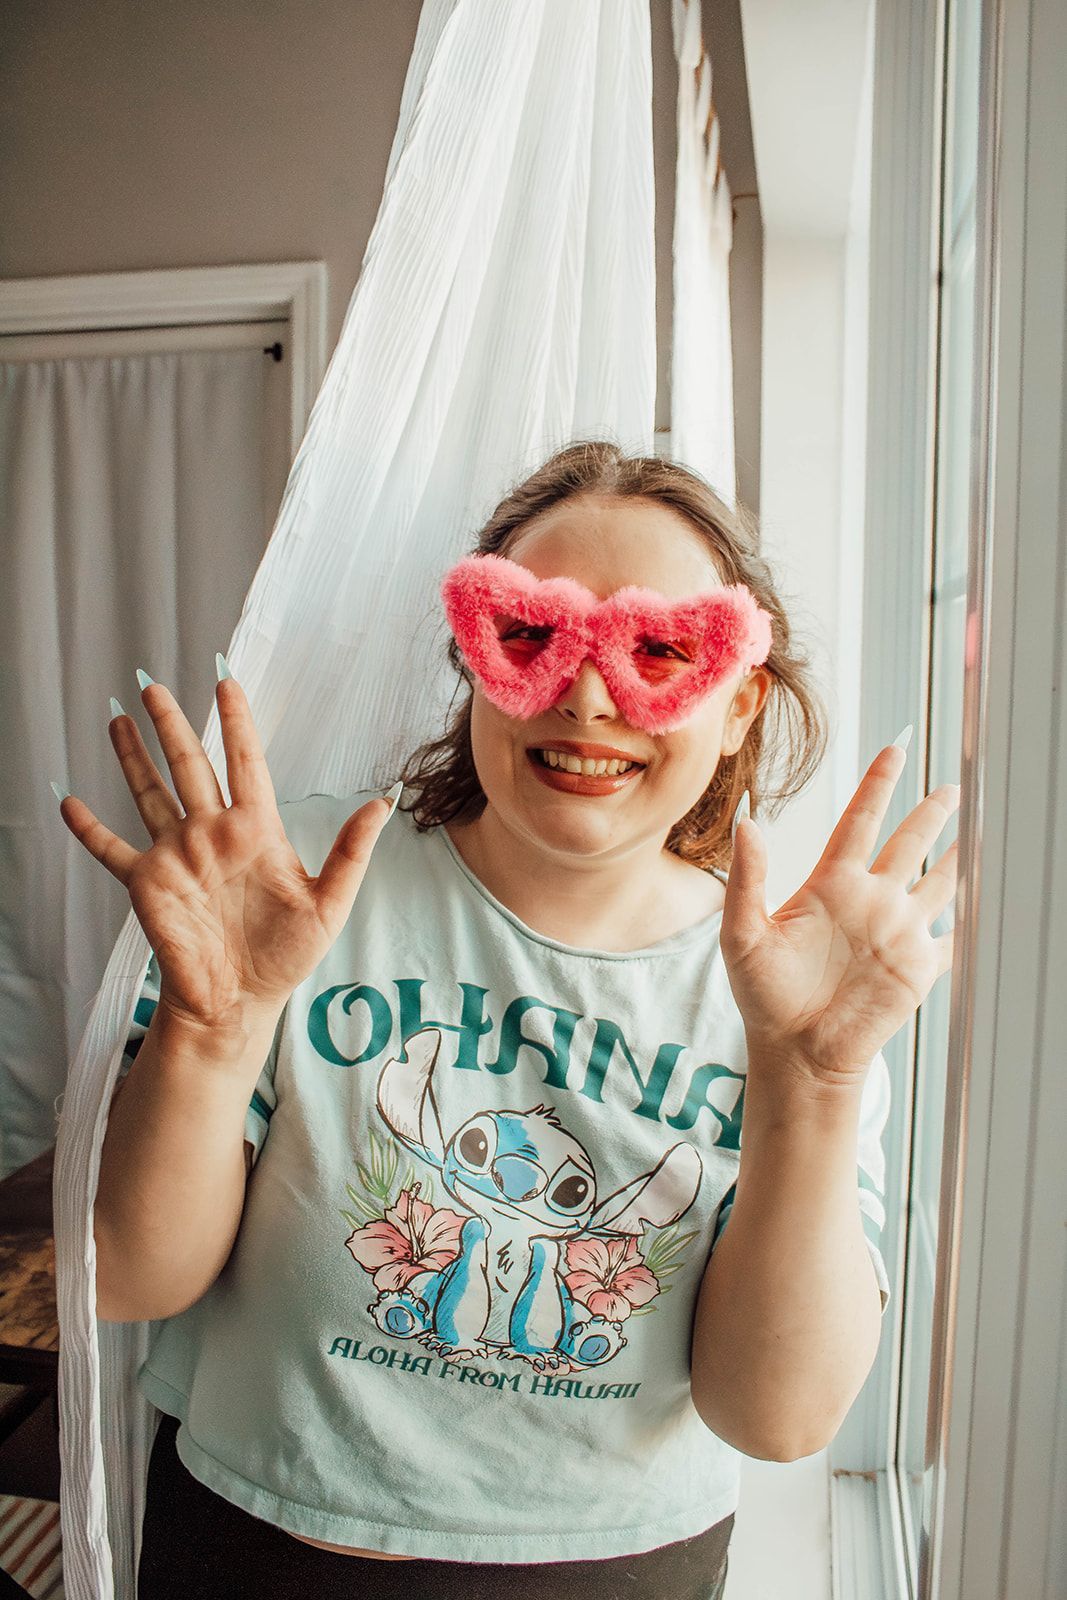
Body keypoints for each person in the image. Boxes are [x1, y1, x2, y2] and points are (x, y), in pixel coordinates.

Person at [59, 441, 958, 1599]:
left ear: (738, 706)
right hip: (252, 1541)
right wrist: (211, 1023)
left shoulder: (799, 984)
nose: (587, 693)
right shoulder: (300, 889)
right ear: (472, 659)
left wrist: (815, 1083)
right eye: (532, 636)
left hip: (612, 1572)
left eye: (658, 652)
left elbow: (775, 1416)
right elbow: (129, 1277)